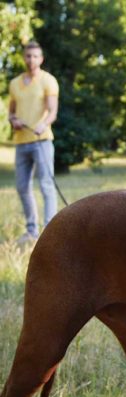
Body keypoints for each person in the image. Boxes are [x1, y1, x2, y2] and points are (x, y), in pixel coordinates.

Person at [8, 41, 59, 244]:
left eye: (35, 56)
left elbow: (52, 111)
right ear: (24, 58)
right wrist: (13, 120)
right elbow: (11, 112)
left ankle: (50, 229)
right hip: (21, 141)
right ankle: (31, 230)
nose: (31, 60)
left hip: (42, 140)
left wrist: (43, 124)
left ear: (41, 58)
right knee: (22, 187)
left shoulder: (48, 81)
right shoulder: (15, 83)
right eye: (28, 56)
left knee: (46, 185)